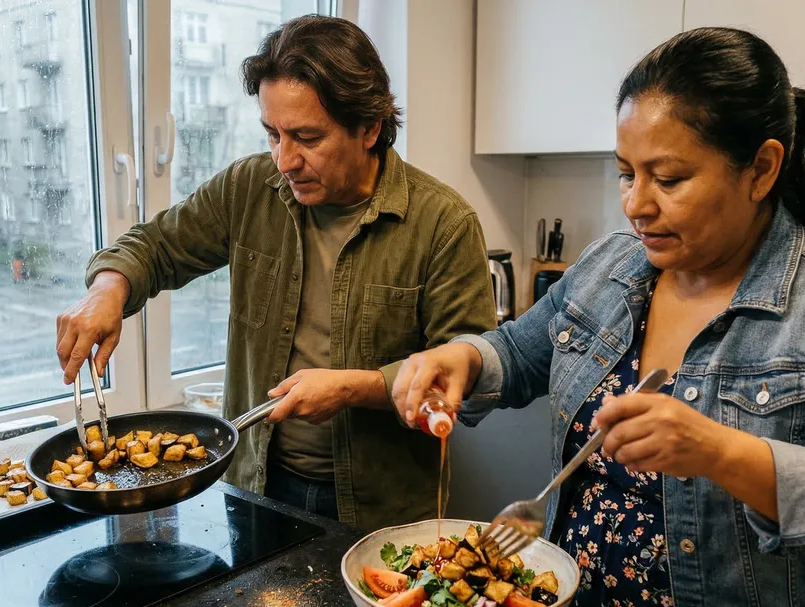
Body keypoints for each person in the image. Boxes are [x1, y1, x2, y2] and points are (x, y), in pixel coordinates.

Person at [391, 27, 805, 607]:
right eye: (626, 173)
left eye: (670, 178)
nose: (635, 205)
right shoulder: (611, 266)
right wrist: (464, 359)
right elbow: (519, 350)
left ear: (761, 169)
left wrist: (720, 452)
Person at [55, 16, 496, 532]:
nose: (285, 159)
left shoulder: (444, 223)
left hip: (381, 512)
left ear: (369, 128)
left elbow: (472, 378)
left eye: (307, 137)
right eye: (273, 134)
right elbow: (154, 247)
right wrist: (109, 288)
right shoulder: (249, 188)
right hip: (256, 487)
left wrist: (352, 388)